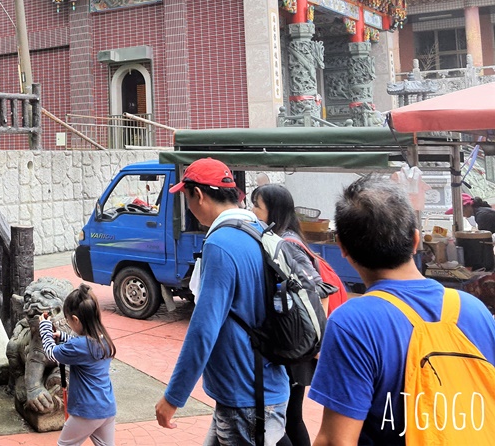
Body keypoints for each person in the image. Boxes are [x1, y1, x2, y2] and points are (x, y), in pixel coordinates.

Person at [310, 175, 495, 446]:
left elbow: (337, 440)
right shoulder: (473, 309)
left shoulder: (353, 322)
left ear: (342, 248)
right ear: (415, 240)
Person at [155, 158, 289, 446]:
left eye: (186, 196)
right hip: (261, 386)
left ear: (198, 195)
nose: (188, 206)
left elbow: (204, 329)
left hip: (246, 398)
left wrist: (173, 396)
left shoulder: (221, 243)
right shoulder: (256, 229)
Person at [251, 184, 325, 446]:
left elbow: (318, 289)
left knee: (291, 418)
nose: (252, 211)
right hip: (298, 339)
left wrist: (314, 342)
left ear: (274, 211)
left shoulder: (287, 244)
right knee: (292, 416)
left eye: (257, 206)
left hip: (297, 342)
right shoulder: (284, 238)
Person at [38, 285, 118, 446]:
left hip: (87, 411)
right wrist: (63, 336)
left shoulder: (79, 346)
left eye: (68, 320)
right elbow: (83, 347)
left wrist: (45, 328)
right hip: (106, 408)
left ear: (75, 319)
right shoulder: (103, 339)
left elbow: (51, 352)